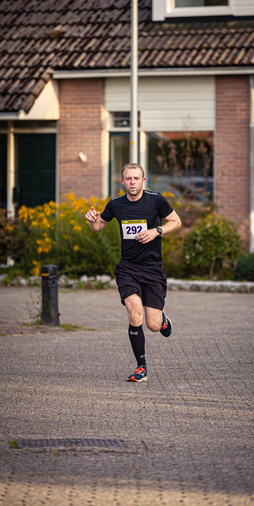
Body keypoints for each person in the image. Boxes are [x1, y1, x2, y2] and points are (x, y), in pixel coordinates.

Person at [85, 163, 182, 383]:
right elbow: (99, 226)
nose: (132, 182)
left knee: (153, 325)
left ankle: (163, 319)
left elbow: (176, 222)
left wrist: (157, 231)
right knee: (134, 311)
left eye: (136, 178)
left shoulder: (156, 199)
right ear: (122, 182)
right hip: (127, 268)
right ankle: (141, 367)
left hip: (152, 270)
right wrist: (92, 222)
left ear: (143, 180)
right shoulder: (116, 204)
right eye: (128, 179)